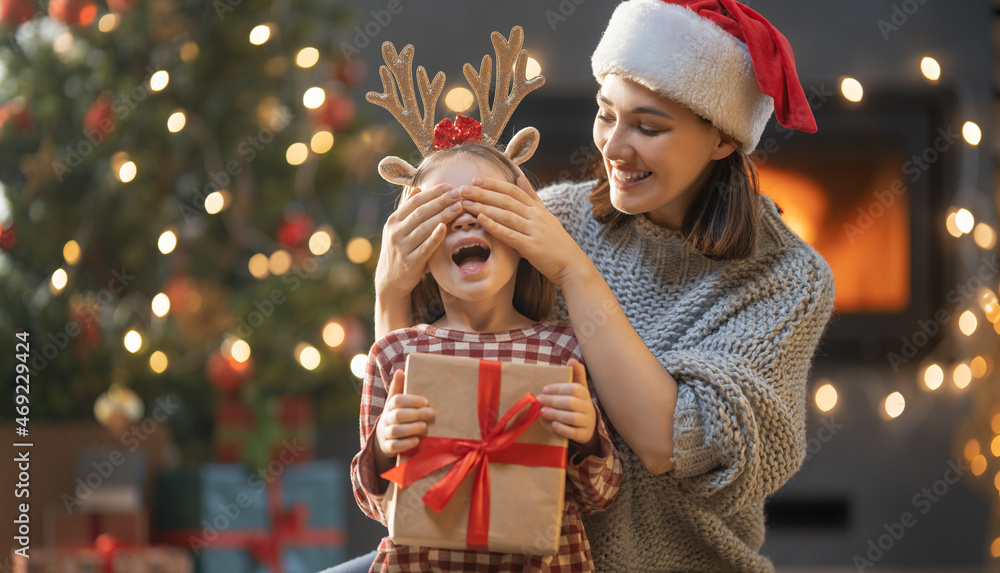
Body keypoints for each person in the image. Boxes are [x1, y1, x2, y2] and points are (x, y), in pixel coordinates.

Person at [373, 1, 836, 571]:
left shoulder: (787, 280)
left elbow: (669, 445)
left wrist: (575, 272)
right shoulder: (555, 217)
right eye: (605, 114)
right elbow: (435, 376)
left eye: (648, 126)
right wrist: (391, 292)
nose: (613, 148)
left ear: (721, 138)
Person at [350, 142, 622, 573]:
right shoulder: (396, 352)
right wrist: (384, 448)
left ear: (524, 236)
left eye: (487, 205)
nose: (465, 219)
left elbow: (600, 497)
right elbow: (375, 505)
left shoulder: (564, 350)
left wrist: (587, 437)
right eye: (441, 212)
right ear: (417, 249)